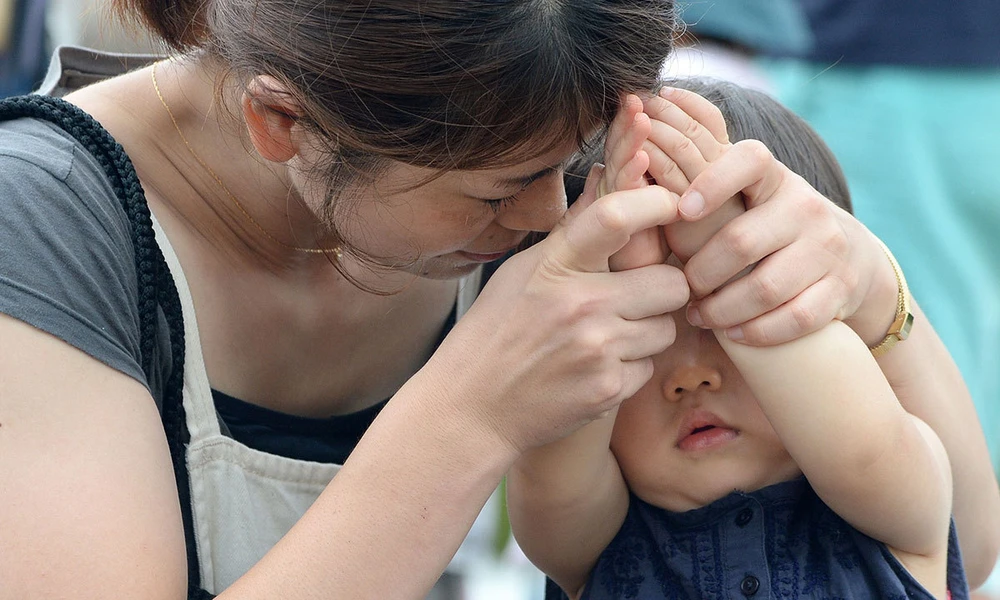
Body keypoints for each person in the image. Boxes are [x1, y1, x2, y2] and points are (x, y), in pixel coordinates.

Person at [0, 2, 994, 599]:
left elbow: (958, 548)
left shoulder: (546, 146)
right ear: (282, 124)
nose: (547, 215)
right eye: (494, 190)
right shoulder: (46, 225)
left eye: (571, 164)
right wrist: (471, 413)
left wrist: (870, 289)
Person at [507, 78, 998, 599]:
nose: (690, 377)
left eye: (722, 326)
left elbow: (864, 452)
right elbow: (554, 472)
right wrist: (603, 266)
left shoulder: (898, 521)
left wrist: (723, 240)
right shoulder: (595, 543)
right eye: (645, 338)